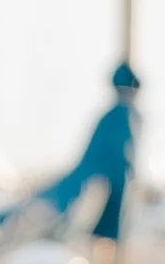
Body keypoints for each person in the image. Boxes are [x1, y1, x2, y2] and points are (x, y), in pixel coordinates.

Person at [9, 62, 141, 244]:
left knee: (103, 232)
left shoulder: (113, 116)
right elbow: (118, 157)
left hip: (103, 185)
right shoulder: (123, 115)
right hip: (107, 186)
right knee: (106, 234)